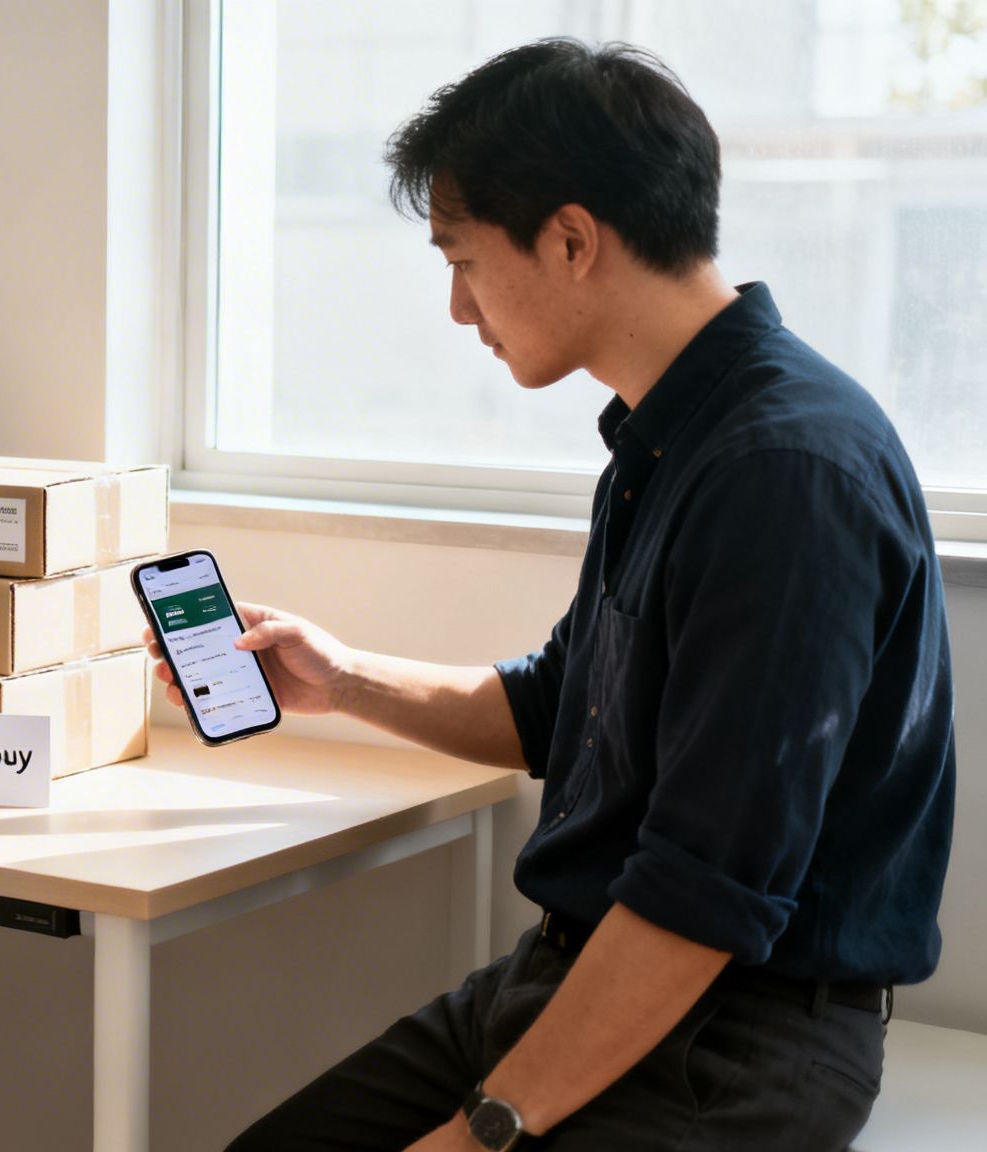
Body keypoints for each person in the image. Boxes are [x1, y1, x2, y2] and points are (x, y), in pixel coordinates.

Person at [156, 38, 957, 1152]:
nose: (453, 307)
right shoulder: (666, 437)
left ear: (571, 240)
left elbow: (705, 893)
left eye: (462, 259)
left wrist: (482, 1131)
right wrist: (341, 680)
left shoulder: (782, 475)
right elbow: (557, 706)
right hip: (573, 974)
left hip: (733, 1039)